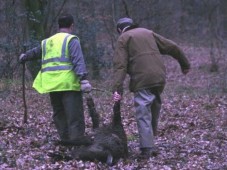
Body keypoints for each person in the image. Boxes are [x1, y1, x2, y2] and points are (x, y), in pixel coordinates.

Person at [112, 17, 190, 159]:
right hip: (159, 77)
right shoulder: (148, 32)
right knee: (154, 109)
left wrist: (117, 88)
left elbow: (120, 66)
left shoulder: (123, 38)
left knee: (143, 112)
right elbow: (172, 47)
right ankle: (150, 141)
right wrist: (185, 64)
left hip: (142, 78)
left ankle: (147, 148)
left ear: (119, 29)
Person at [19, 13, 92, 142]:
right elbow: (78, 60)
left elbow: (36, 52)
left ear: (58, 26)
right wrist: (83, 79)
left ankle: (64, 140)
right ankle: (76, 142)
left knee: (59, 114)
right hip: (69, 85)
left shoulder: (48, 42)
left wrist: (25, 56)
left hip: (52, 84)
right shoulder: (71, 40)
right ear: (72, 26)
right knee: (74, 115)